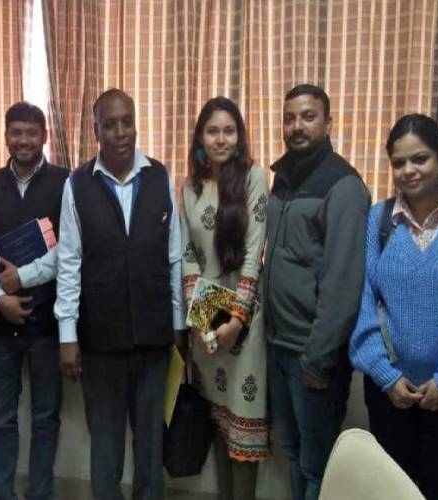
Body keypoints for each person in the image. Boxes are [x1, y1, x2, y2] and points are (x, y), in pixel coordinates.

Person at [55, 88, 186, 500]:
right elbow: (69, 263)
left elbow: (174, 256)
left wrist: (179, 323)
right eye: (109, 124)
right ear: (96, 130)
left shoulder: (159, 177)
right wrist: (67, 335)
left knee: (150, 445)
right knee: (106, 447)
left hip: (153, 339)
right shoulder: (78, 184)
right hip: (100, 342)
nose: (120, 132)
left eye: (126, 121)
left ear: (135, 124)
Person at [350, 114, 438, 500]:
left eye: (419, 159)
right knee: (391, 492)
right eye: (399, 162)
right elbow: (363, 298)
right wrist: (385, 375)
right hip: (390, 393)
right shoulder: (379, 221)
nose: (408, 170)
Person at [262, 84, 370, 500]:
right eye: (289, 118)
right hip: (278, 345)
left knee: (316, 464)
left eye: (308, 117)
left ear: (328, 123)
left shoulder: (344, 185)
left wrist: (319, 356)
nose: (297, 126)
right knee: (291, 451)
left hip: (311, 354)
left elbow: (343, 283)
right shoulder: (283, 178)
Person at [0, 102, 67, 500]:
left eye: (31, 132)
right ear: (6, 136)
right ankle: (2, 494)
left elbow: (69, 249)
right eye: (16, 132)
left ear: (44, 136)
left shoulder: (65, 182)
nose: (23, 140)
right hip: (0, 325)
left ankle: (40, 493)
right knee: (1, 419)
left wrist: (22, 278)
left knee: (46, 418)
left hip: (47, 324)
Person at [180, 97, 269, 500]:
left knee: (242, 424)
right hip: (206, 318)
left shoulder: (253, 178)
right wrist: (204, 322)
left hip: (244, 322)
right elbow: (187, 256)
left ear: (240, 136)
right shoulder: (189, 187)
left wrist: (235, 320)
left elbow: (253, 254)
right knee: (216, 420)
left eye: (229, 131)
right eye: (212, 131)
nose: (221, 139)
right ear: (200, 137)